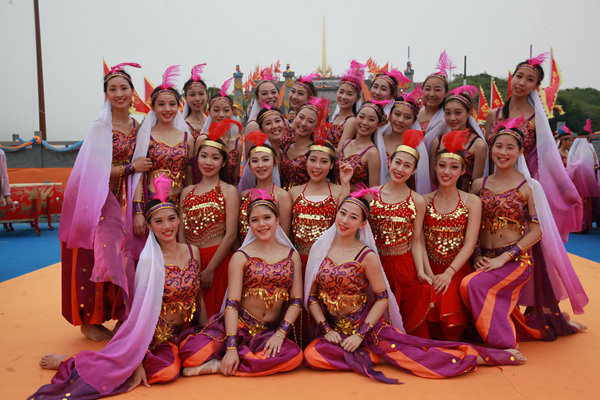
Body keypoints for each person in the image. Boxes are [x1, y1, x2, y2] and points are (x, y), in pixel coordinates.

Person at [303, 192, 525, 384]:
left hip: (364, 326)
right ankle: (370, 355)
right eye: (342, 213)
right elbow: (312, 297)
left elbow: (381, 298)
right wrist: (326, 329)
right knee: (312, 356)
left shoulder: (366, 255)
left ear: (362, 224)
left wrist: (360, 335)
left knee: (418, 356)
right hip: (333, 330)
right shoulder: (320, 250)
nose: (345, 220)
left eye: (353, 217)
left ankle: (483, 357)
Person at [30, 176, 207, 399]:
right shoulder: (149, 261)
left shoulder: (192, 252)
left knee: (207, 351)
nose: (167, 226)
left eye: (171, 218)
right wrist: (137, 364)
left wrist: (206, 329)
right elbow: (138, 313)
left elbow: (197, 296)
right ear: (149, 226)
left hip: (185, 332)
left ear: (179, 219)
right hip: (153, 338)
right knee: (166, 373)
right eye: (159, 221)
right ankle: (72, 361)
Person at [462, 118, 588, 350]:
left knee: (472, 285)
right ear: (491, 149)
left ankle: (505, 344)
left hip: (516, 261)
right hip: (485, 259)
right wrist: (477, 254)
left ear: (520, 152)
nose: (503, 152)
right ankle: (539, 325)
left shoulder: (529, 187)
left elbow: (537, 230)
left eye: (510, 147)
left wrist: (504, 257)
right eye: (499, 146)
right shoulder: (479, 184)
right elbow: (474, 225)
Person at [59, 62, 152, 341]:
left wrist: (138, 206)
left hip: (125, 198)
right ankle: (89, 321)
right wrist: (131, 168)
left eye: (124, 88)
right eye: (113, 89)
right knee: (97, 256)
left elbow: (142, 170)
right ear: (106, 94)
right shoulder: (102, 127)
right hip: (97, 200)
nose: (119, 93)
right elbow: (93, 170)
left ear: (133, 92)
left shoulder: (137, 126)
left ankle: (123, 316)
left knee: (126, 256)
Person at [180, 193, 304, 377]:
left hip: (269, 332)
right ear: (249, 225)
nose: (262, 224)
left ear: (277, 220)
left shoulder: (291, 256)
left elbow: (296, 301)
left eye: (267, 217)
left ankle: (219, 366)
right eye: (255, 220)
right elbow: (232, 304)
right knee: (191, 355)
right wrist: (231, 348)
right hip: (238, 327)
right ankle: (240, 359)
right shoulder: (241, 256)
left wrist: (280, 334)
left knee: (294, 356)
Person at [484, 53, 581, 240]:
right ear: (512, 78)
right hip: (491, 184)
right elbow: (487, 154)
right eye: (519, 76)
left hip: (521, 188)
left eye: (530, 80)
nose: (521, 83)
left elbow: (547, 158)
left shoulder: (537, 119)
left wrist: (566, 190)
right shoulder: (493, 115)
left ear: (536, 86)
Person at [368, 130, 436, 338]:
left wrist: (421, 271)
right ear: (389, 162)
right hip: (376, 264)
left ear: (414, 171)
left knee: (402, 318)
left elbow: (416, 240)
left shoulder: (418, 201)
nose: (400, 169)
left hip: (404, 266)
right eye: (397, 162)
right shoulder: (372, 195)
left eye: (407, 166)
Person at [422, 130, 482, 341]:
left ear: (463, 171)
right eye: (442, 165)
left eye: (454, 167)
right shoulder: (423, 200)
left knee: (446, 297)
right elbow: (419, 241)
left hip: (457, 268)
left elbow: (470, 243)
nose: (446, 172)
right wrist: (428, 273)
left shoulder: (471, 201)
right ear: (435, 167)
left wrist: (448, 273)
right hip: (428, 268)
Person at [179, 121, 240, 317]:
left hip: (218, 262)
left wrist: (211, 268)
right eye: (203, 156)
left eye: (215, 158)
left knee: (215, 316)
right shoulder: (186, 192)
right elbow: (181, 232)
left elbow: (230, 234)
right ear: (197, 158)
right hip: (191, 261)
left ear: (223, 163)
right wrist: (187, 264)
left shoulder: (229, 191)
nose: (208, 162)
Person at [133, 65, 193, 241]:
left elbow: (190, 175)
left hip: (180, 201)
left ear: (178, 106)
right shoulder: (145, 135)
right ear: (153, 107)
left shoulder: (187, 137)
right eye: (161, 104)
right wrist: (138, 211)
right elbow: (138, 175)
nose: (167, 109)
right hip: (153, 201)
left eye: (172, 104)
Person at [429, 86, 488, 191]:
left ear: (469, 113)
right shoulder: (437, 142)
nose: (452, 118)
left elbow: (475, 184)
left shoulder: (478, 145)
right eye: (447, 113)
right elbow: (432, 180)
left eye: (458, 113)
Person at [239, 131, 292, 243]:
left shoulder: (282, 196)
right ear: (249, 165)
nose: (260, 165)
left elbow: (284, 237)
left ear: (275, 162)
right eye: (255, 161)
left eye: (265, 159)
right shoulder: (244, 195)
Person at [376, 89, 431, 193]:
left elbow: (418, 181)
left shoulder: (415, 147)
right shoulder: (378, 141)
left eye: (407, 117)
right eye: (397, 114)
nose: (400, 120)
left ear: (413, 122)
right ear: (390, 114)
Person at [197, 78, 244, 186]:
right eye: (216, 110)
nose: (221, 115)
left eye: (226, 110)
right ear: (209, 112)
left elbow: (235, 179)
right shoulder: (202, 140)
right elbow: (196, 174)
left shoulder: (237, 144)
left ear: (232, 112)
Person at [280, 98, 329, 190]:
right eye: (301, 117)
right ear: (295, 117)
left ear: (316, 126)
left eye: (310, 121)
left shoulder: (315, 151)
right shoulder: (286, 147)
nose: (303, 123)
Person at [237, 106, 285, 193]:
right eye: (268, 123)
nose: (274, 126)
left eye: (278, 121)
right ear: (261, 130)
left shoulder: (280, 152)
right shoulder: (258, 154)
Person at [336, 102, 382, 188]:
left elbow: (373, 190)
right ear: (356, 117)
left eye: (371, 120)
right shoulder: (346, 143)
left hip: (355, 197)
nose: (364, 122)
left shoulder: (372, 153)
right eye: (361, 117)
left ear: (378, 125)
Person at [567, 120, 600, 233]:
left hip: (574, 182)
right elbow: (585, 166)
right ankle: (582, 225)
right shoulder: (589, 152)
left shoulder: (572, 152)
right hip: (585, 182)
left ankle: (575, 225)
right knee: (584, 203)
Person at [328, 61, 364, 149]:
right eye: (341, 92)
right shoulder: (336, 117)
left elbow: (339, 151)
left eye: (349, 94)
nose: (343, 97)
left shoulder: (351, 121)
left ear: (358, 98)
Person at [421, 51, 453, 144]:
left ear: (446, 93)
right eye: (427, 89)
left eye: (437, 90)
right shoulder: (415, 112)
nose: (431, 94)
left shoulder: (446, 120)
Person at [280, 72, 320, 148]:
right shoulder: (288, 121)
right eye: (293, 91)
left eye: (300, 94)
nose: (294, 97)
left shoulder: (312, 122)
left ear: (310, 98)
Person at [245, 67, 280, 135]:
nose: (270, 96)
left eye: (273, 92)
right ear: (257, 98)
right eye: (264, 93)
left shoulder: (284, 121)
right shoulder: (254, 125)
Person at [183, 63, 208, 140]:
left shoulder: (212, 122)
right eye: (192, 94)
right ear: (186, 98)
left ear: (206, 96)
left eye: (201, 94)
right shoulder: (183, 127)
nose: (197, 99)